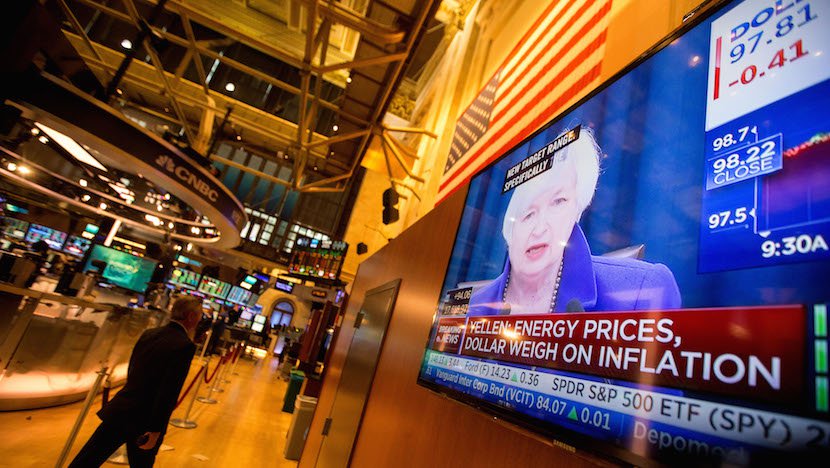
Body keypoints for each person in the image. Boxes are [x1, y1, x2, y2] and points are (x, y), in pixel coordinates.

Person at [468, 128, 680, 316]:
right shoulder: (473, 305)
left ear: (576, 210)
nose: (539, 229)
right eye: (528, 213)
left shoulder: (644, 290)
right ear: (510, 227)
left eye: (558, 202)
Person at [68, 296, 203, 467]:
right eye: (200, 315)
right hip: (145, 419)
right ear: (191, 316)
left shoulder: (150, 333)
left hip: (122, 407)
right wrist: (155, 429)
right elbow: (168, 391)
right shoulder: (184, 346)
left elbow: (133, 369)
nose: (200, 320)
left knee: (86, 460)